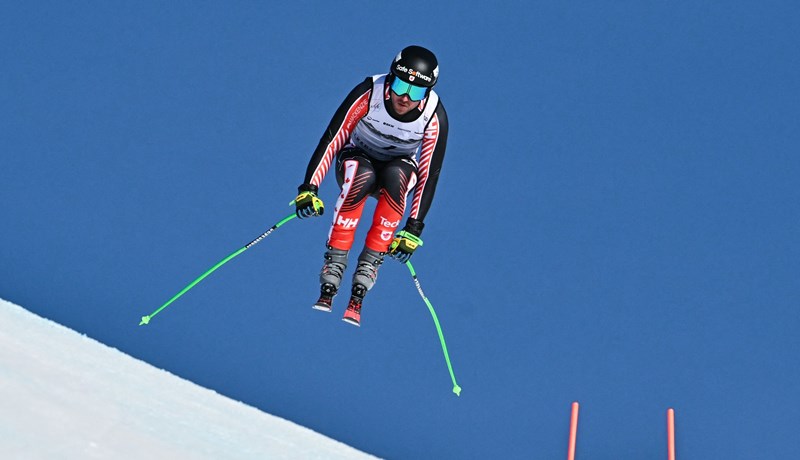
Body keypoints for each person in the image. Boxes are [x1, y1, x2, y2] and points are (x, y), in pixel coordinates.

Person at [294, 45, 449, 327]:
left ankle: (368, 268)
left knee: (396, 177)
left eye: (416, 92)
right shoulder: (370, 92)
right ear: (391, 78)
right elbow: (334, 136)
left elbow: (429, 173)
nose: (404, 97)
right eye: (401, 85)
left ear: (426, 93)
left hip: (399, 165)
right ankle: (334, 266)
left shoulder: (433, 115)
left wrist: (413, 229)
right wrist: (309, 188)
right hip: (358, 157)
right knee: (362, 175)